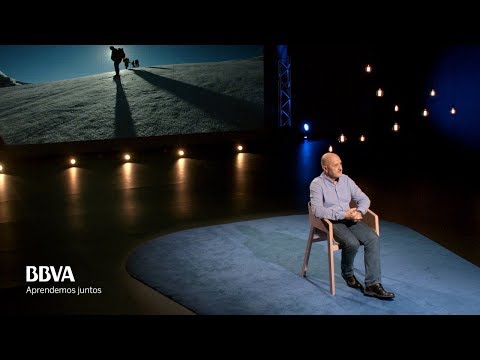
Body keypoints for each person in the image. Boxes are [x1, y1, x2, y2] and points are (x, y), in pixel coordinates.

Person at [309, 152, 395, 299]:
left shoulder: (346, 180)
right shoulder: (317, 184)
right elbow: (317, 209)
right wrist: (343, 215)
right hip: (332, 221)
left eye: (341, 164)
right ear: (325, 168)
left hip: (350, 218)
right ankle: (347, 274)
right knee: (352, 243)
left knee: (373, 238)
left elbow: (364, 199)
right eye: (335, 165)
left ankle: (372, 285)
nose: (340, 168)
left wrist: (359, 212)